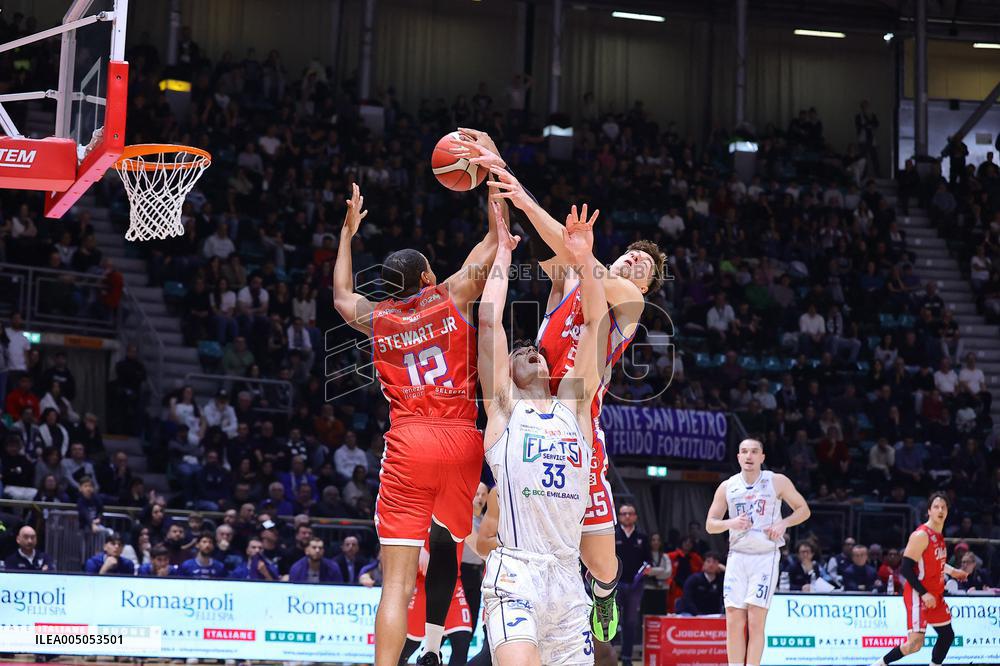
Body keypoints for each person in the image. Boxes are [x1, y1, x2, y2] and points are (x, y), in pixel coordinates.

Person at [485, 151, 666, 643]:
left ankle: (605, 590)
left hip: (577, 429)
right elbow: (559, 244)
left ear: (646, 284)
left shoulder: (630, 303)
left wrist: (583, 255)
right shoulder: (571, 278)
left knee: (600, 559)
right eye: (631, 253)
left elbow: (583, 269)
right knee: (500, 528)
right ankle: (507, 615)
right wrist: (517, 193)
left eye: (643, 265)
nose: (634, 260)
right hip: (529, 417)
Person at [333, 181, 500, 666]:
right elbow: (493, 241)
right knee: (450, 539)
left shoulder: (378, 317)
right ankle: (433, 644)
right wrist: (494, 179)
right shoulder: (450, 294)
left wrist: (347, 234)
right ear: (427, 275)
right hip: (462, 439)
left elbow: (342, 295)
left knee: (398, 583)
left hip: (410, 441)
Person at [475, 201, 607, 665]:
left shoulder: (575, 405)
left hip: (569, 580)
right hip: (517, 575)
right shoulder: (504, 408)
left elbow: (596, 322)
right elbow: (489, 322)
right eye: (520, 350)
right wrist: (505, 257)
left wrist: (585, 260)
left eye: (536, 348)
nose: (531, 349)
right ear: (506, 373)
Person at [706, 438, 811, 666]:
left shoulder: (777, 481)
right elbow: (710, 524)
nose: (749, 456)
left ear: (762, 457)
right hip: (737, 556)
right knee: (734, 619)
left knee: (755, 620)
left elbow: (803, 510)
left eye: (754, 452)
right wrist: (731, 523)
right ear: (738, 457)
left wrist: (783, 523)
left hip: (765, 557)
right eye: (744, 452)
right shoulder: (728, 486)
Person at [870, 492, 968, 666]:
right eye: (936, 507)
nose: (940, 510)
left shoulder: (938, 535)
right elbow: (906, 568)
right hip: (918, 593)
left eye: (943, 507)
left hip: (935, 593)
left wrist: (953, 572)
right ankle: (879, 664)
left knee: (947, 635)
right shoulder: (921, 535)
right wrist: (924, 593)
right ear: (928, 511)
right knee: (914, 645)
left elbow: (935, 562)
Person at [401, 539, 473, 666]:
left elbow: (477, 537)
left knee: (462, 640)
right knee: (409, 645)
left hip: (453, 583)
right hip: (424, 584)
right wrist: (417, 547)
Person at [615, 503, 654, 665]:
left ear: (636, 516)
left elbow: (648, 560)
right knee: (611, 622)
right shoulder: (613, 535)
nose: (627, 516)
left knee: (630, 622)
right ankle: (608, 656)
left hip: (635, 585)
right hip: (615, 585)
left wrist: (648, 568)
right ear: (618, 516)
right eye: (624, 514)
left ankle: (627, 658)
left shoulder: (642, 537)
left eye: (630, 513)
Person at [677, 551, 725, 615]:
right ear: (703, 564)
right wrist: (697, 614)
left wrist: (725, 571)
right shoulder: (693, 579)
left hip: (711, 615)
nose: (711, 565)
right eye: (708, 561)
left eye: (714, 562)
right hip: (690, 613)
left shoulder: (720, 581)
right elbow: (687, 599)